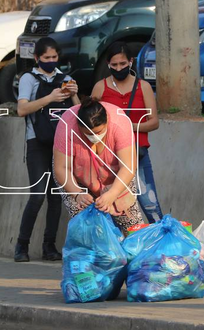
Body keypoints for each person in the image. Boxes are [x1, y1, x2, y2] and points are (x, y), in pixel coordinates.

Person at [14, 37, 80, 262]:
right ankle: (21, 246)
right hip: (37, 143)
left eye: (54, 57)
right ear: (36, 58)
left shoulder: (66, 78)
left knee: (55, 197)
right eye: (46, 58)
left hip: (61, 144)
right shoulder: (28, 78)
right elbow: (22, 110)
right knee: (38, 195)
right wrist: (50, 97)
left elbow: (78, 112)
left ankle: (49, 246)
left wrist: (73, 93)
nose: (51, 61)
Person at [91, 41, 163, 223]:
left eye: (123, 64)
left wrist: (127, 126)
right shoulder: (101, 87)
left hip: (137, 153)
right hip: (108, 156)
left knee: (150, 203)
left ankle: (161, 243)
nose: (119, 68)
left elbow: (154, 122)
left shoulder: (143, 87)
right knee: (111, 205)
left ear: (130, 62)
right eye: (114, 65)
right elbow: (88, 118)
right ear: (108, 64)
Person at [53, 98, 145, 235]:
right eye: (89, 134)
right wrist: (77, 194)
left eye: (99, 132)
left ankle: (136, 253)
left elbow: (128, 167)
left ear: (107, 121)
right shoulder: (67, 124)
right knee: (86, 226)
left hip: (117, 176)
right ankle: (94, 254)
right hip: (75, 178)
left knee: (132, 224)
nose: (95, 137)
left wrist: (112, 194)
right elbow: (61, 168)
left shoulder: (119, 122)